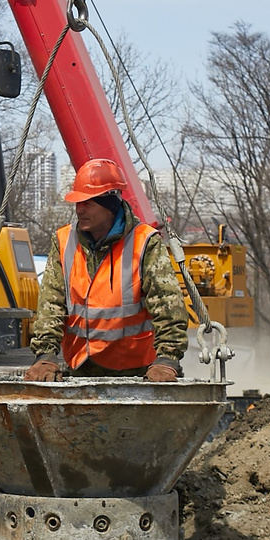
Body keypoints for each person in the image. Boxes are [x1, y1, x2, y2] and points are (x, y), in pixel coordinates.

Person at [22, 157, 189, 381]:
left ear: (110, 206)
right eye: (77, 203)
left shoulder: (144, 243)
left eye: (88, 203)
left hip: (137, 373)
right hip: (80, 371)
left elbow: (168, 306)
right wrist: (45, 354)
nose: (79, 210)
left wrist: (167, 360)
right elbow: (51, 304)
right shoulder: (63, 241)